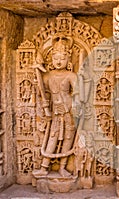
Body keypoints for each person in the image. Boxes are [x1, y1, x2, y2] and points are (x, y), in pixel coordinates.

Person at [33, 34, 80, 177]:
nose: (59, 61)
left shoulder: (71, 76)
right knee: (52, 137)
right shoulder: (48, 76)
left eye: (62, 58)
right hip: (54, 112)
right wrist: (38, 85)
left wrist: (74, 106)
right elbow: (43, 95)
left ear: (69, 59)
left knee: (68, 137)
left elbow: (78, 95)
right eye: (56, 58)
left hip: (68, 111)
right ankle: (44, 166)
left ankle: (62, 167)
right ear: (51, 59)